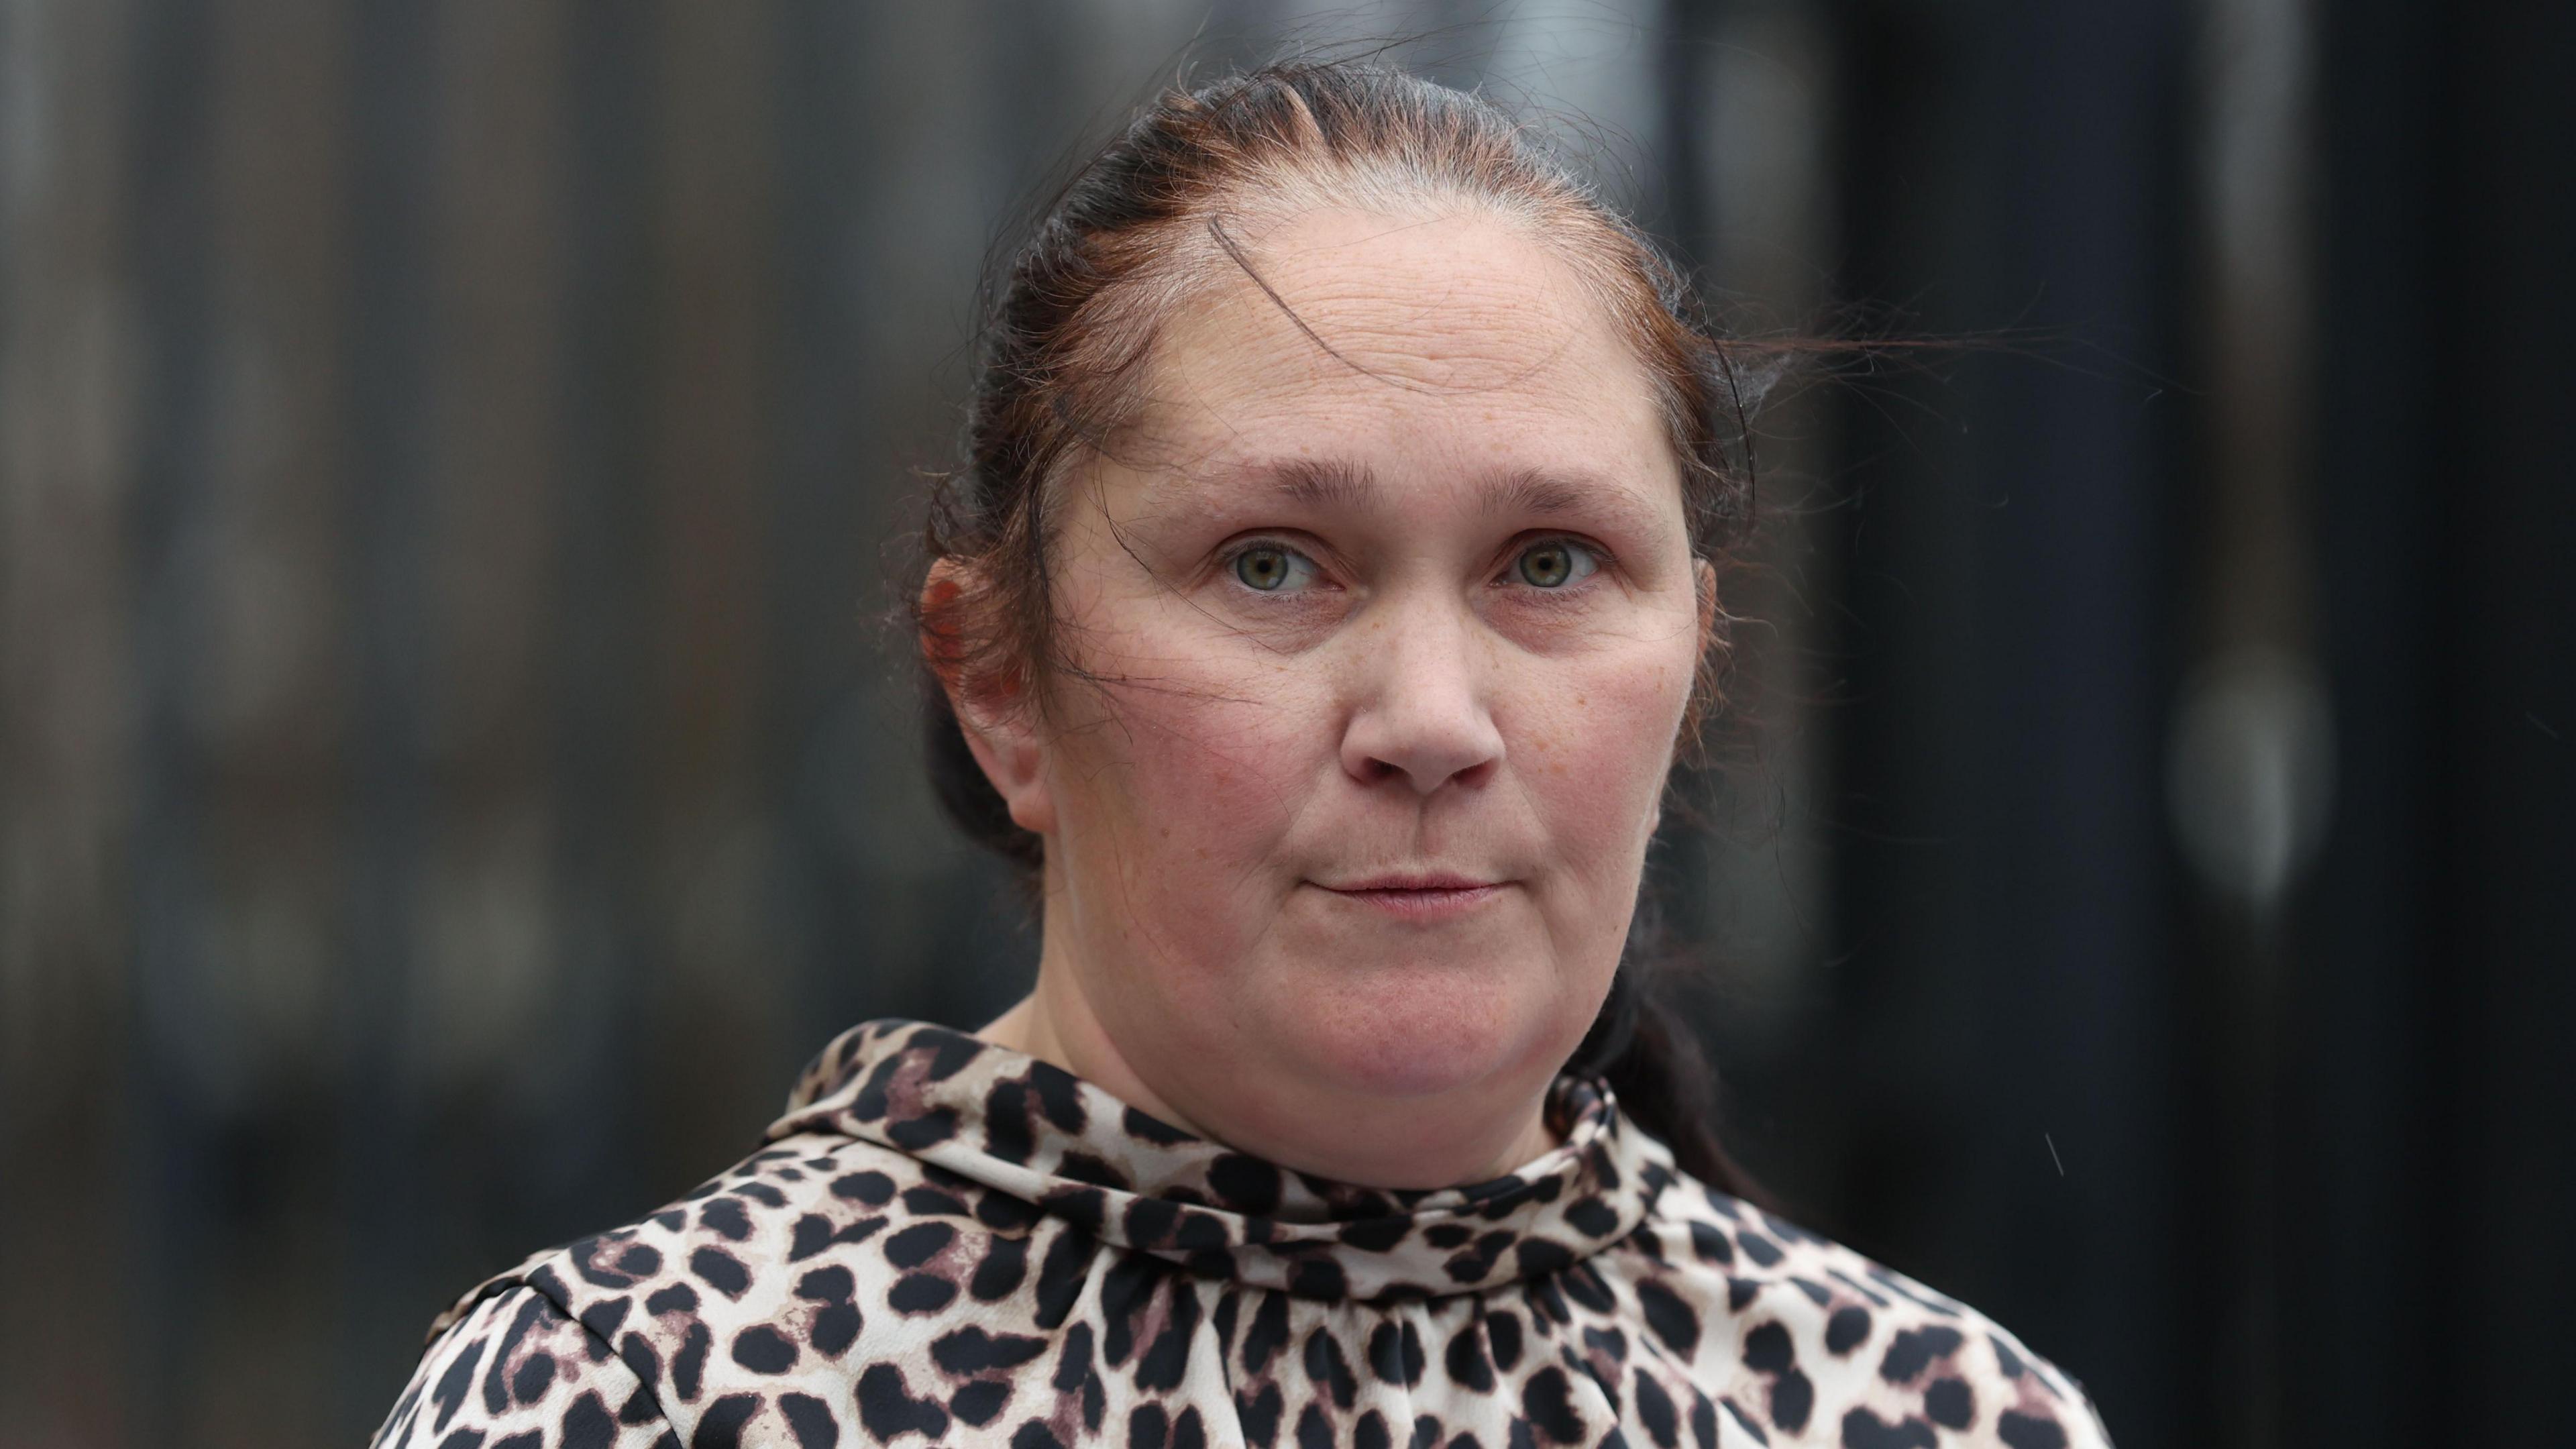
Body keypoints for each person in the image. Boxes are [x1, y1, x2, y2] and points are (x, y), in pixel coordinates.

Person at [370, 60, 2114, 1449]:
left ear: (1696, 659)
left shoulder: (1928, 1416)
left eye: (1549, 565)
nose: (1432, 718)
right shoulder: (642, 1402)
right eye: (1273, 563)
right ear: (998, 683)